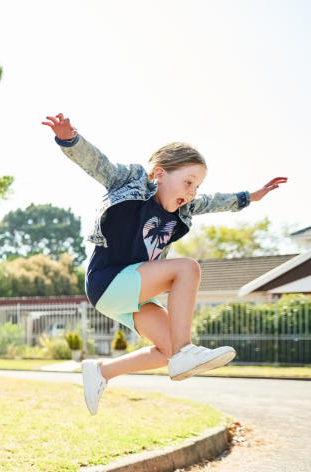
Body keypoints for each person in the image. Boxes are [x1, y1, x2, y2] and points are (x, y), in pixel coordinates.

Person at [42, 113, 287, 415]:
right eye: (187, 182)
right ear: (158, 174)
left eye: (196, 186)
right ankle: (186, 351)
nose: (192, 192)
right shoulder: (131, 181)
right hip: (107, 282)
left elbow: (214, 201)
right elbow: (98, 163)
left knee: (166, 349)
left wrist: (250, 196)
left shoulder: (186, 209)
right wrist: (70, 139)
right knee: (187, 269)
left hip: (130, 294)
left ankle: (101, 372)